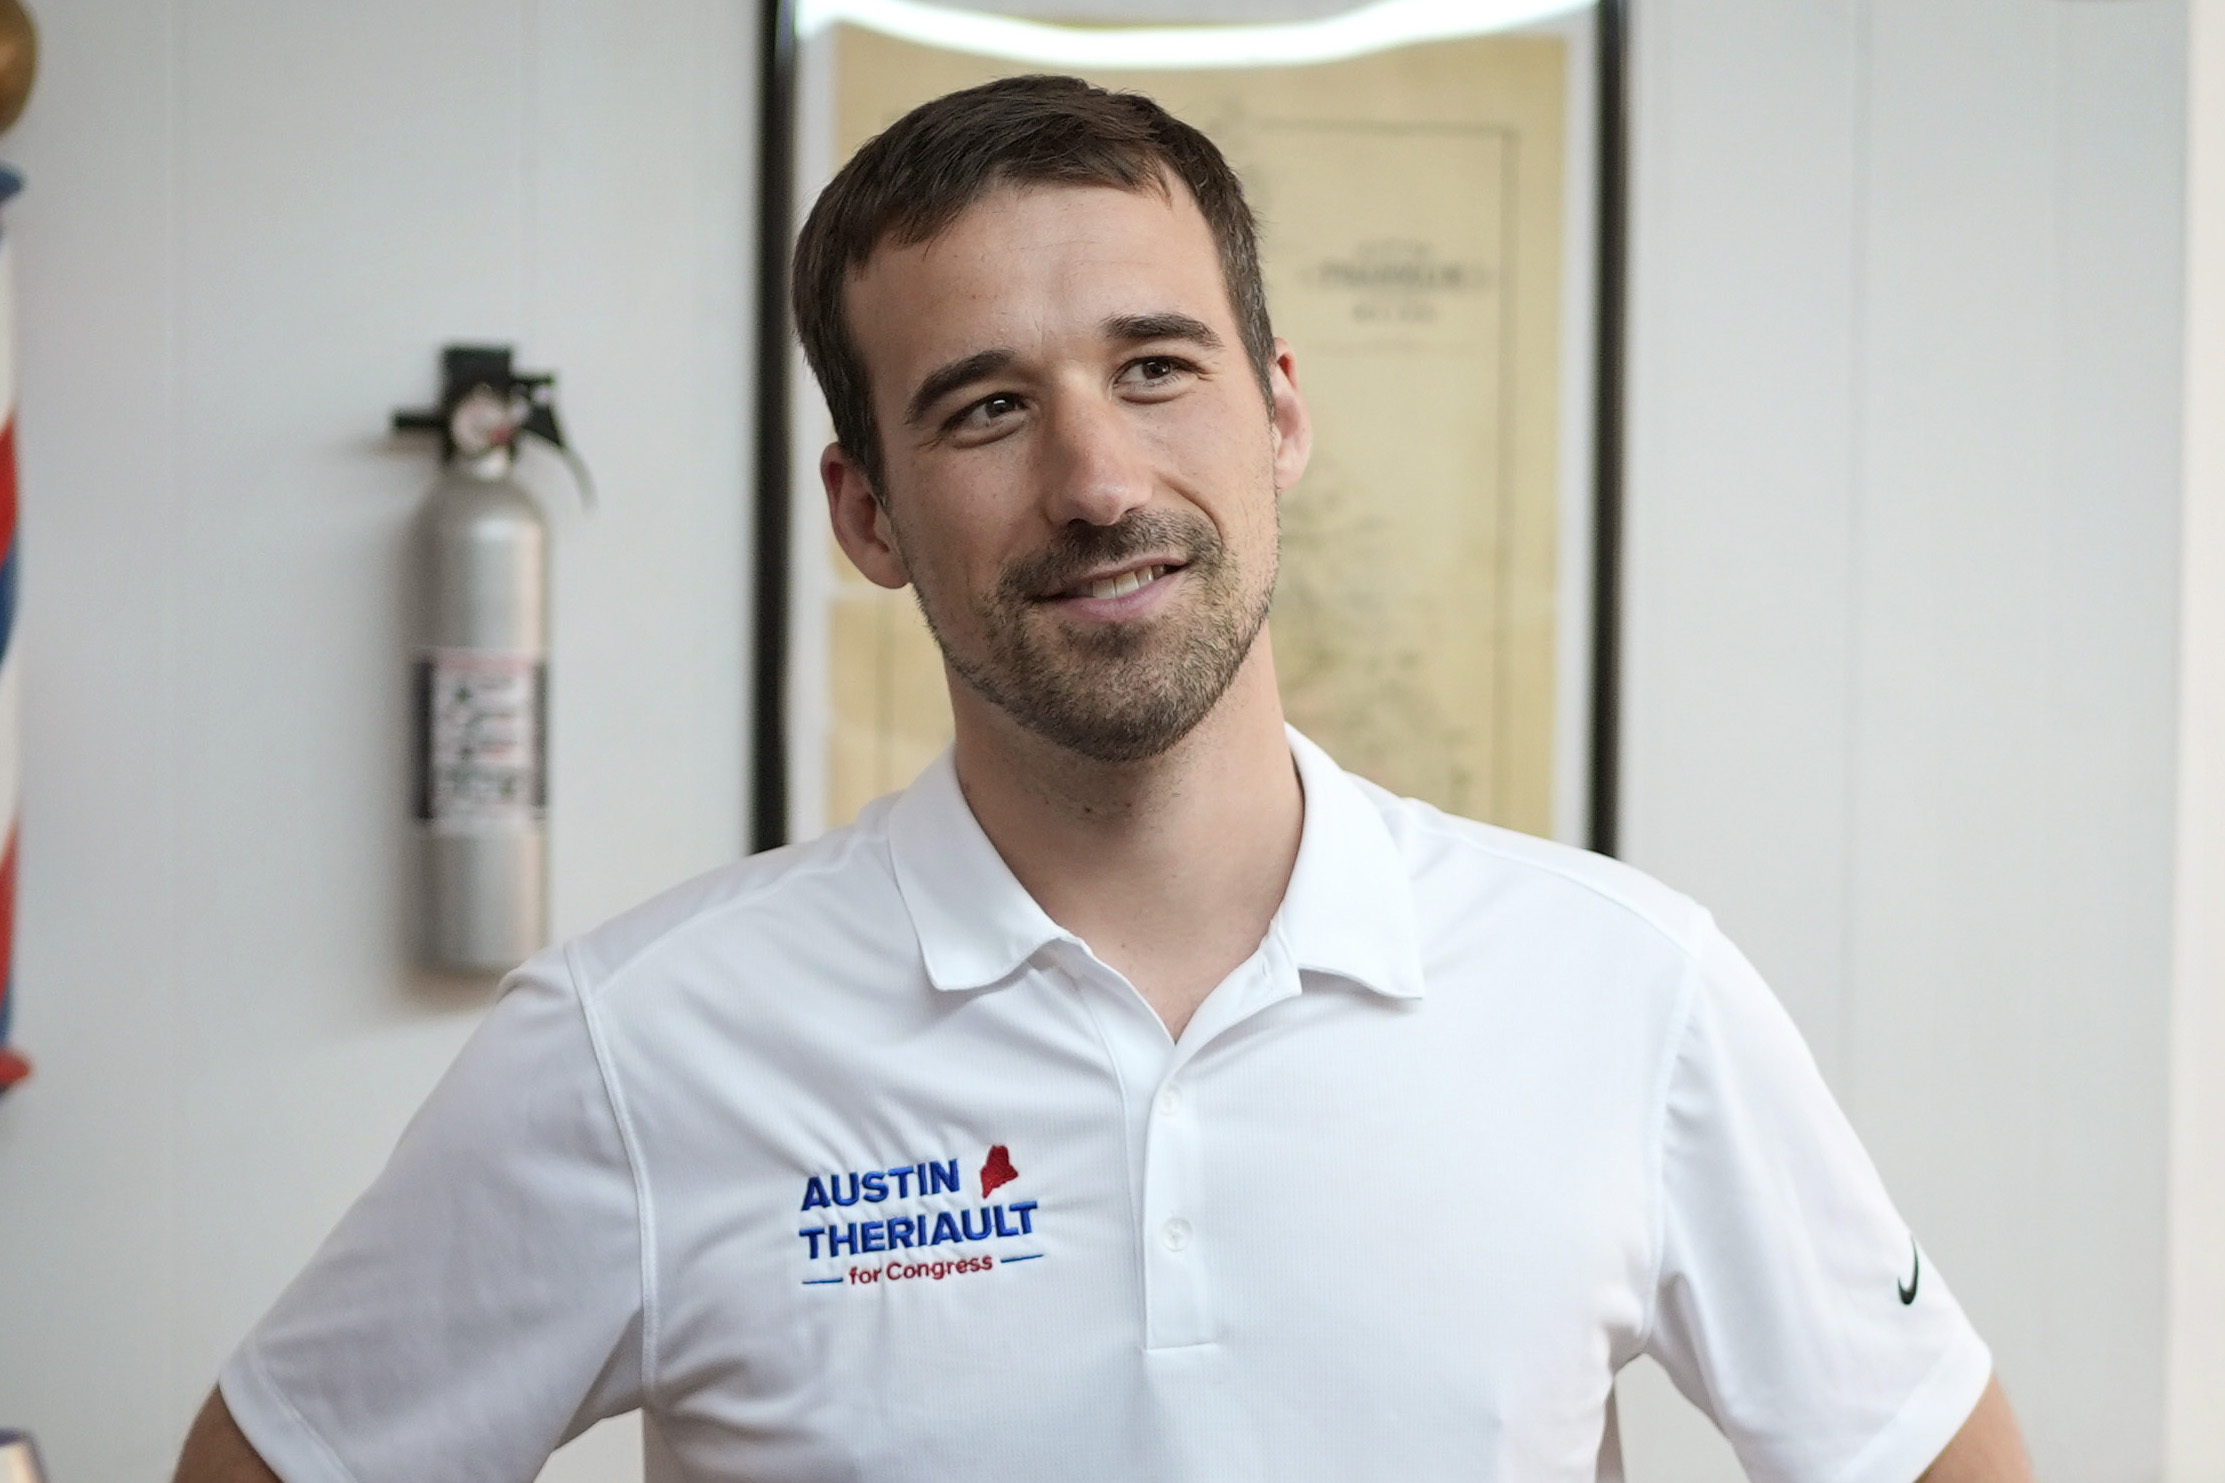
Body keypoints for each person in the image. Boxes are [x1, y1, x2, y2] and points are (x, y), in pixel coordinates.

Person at [177, 75, 2032, 1483]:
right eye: (984, 407)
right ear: (867, 512)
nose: (1094, 479)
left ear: (1278, 411)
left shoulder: (1633, 993)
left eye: (1155, 367)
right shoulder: (631, 1047)